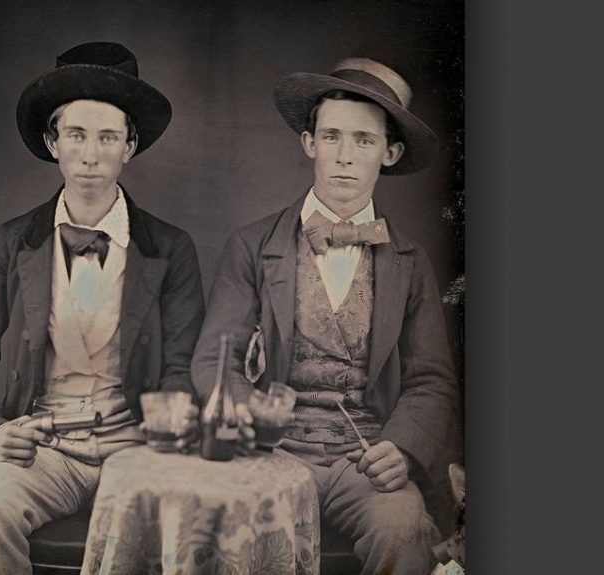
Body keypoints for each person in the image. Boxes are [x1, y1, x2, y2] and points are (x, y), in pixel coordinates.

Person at [0, 42, 205, 575]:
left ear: (129, 146)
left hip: (135, 445)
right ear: (51, 141)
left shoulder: (170, 248)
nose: (90, 154)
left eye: (108, 136)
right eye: (76, 134)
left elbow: (182, 369)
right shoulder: (13, 242)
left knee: (180, 530)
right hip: (44, 446)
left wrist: (162, 441)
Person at [191, 57, 457, 575]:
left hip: (366, 460)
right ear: (309, 143)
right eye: (332, 136)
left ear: (390, 152)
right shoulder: (251, 246)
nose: (345, 157)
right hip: (273, 454)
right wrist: (254, 425)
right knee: (246, 526)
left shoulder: (411, 262)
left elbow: (431, 380)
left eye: (364, 140)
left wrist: (400, 448)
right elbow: (211, 363)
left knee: (403, 528)